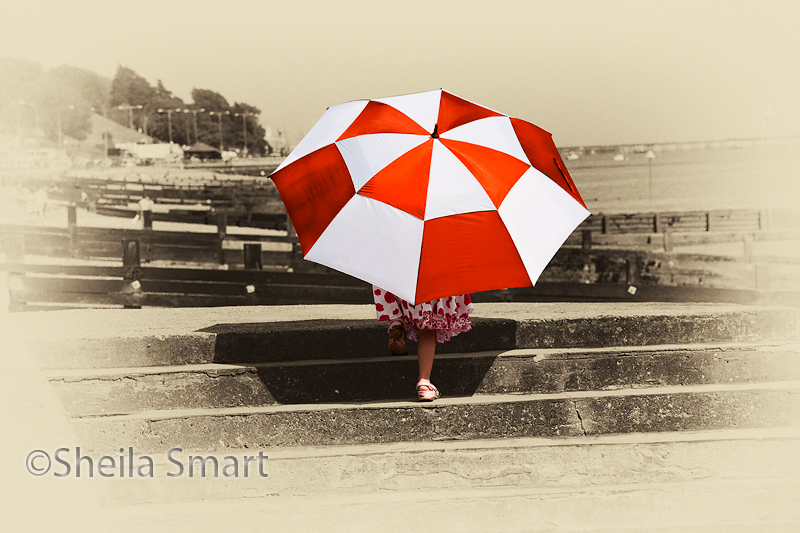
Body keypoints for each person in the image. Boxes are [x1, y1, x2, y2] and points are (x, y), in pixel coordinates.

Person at [372, 286, 474, 401]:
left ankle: (397, 321)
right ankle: (424, 382)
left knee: (396, 289)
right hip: (428, 283)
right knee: (427, 329)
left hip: (402, 283)